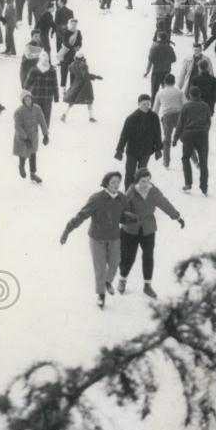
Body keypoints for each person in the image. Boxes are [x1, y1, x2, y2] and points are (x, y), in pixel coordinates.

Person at [60, 171, 135, 309]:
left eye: (118, 182)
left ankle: (107, 281)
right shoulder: (96, 199)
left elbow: (122, 216)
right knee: (100, 268)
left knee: (115, 263)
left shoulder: (122, 198)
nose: (116, 185)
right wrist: (67, 230)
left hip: (114, 237)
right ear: (106, 183)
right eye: (113, 182)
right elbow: (81, 215)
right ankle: (101, 295)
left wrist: (129, 217)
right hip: (97, 238)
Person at [120, 168, 184, 299]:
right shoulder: (132, 191)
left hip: (148, 229)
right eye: (143, 181)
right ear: (137, 181)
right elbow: (122, 209)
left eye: (148, 181)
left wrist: (177, 217)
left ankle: (147, 286)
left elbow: (165, 204)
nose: (146, 184)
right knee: (128, 257)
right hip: (131, 230)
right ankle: (122, 279)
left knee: (148, 256)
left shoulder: (153, 191)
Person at [114, 94, 163, 187]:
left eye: (148, 104)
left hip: (146, 150)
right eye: (144, 104)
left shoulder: (154, 117)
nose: (146, 106)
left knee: (142, 173)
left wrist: (158, 148)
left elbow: (157, 133)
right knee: (130, 172)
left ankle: (140, 192)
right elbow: (124, 135)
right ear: (139, 104)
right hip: (133, 150)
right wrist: (119, 150)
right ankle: (128, 193)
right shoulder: (131, 118)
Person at [173, 86, 212, 195]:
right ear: (199, 94)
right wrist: (205, 131)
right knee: (204, 161)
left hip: (188, 136)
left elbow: (180, 124)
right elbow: (209, 121)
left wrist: (175, 138)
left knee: (185, 159)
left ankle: (188, 183)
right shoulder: (205, 106)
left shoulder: (186, 106)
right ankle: (204, 187)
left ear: (189, 95)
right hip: (202, 136)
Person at [13, 90, 49, 183]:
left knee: (33, 154)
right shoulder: (19, 112)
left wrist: (45, 135)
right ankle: (21, 166)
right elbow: (17, 127)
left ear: (31, 99)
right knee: (23, 154)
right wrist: (25, 138)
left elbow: (42, 121)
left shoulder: (37, 108)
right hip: (22, 137)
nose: (28, 101)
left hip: (33, 136)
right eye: (26, 100)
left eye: (29, 99)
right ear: (23, 101)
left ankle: (33, 174)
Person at [61, 51, 102, 123]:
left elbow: (72, 71)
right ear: (82, 57)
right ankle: (91, 117)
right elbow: (86, 75)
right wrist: (96, 77)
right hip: (85, 85)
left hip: (76, 84)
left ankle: (64, 114)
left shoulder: (72, 65)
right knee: (89, 100)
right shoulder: (83, 65)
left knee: (72, 100)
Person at [24, 51, 59, 126]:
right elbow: (55, 85)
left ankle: (34, 132)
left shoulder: (33, 70)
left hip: (35, 97)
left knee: (34, 115)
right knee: (46, 116)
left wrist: (25, 94)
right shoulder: (52, 71)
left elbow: (26, 84)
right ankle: (45, 134)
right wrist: (56, 97)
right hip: (47, 98)